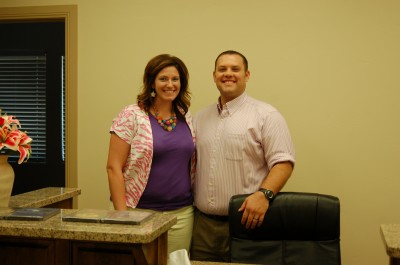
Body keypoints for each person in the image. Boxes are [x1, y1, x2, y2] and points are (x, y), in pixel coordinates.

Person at [191, 50, 295, 262]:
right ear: (214, 76)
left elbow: (283, 162)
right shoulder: (200, 118)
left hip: (248, 223)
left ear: (247, 75)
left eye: (235, 69)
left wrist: (264, 194)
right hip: (202, 227)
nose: (228, 74)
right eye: (222, 69)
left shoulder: (266, 116)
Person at [106, 54, 196, 259]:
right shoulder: (131, 114)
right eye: (163, 78)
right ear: (152, 83)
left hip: (180, 215)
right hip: (137, 212)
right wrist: (122, 216)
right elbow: (113, 168)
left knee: (176, 263)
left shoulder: (185, 115)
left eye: (175, 79)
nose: (170, 84)